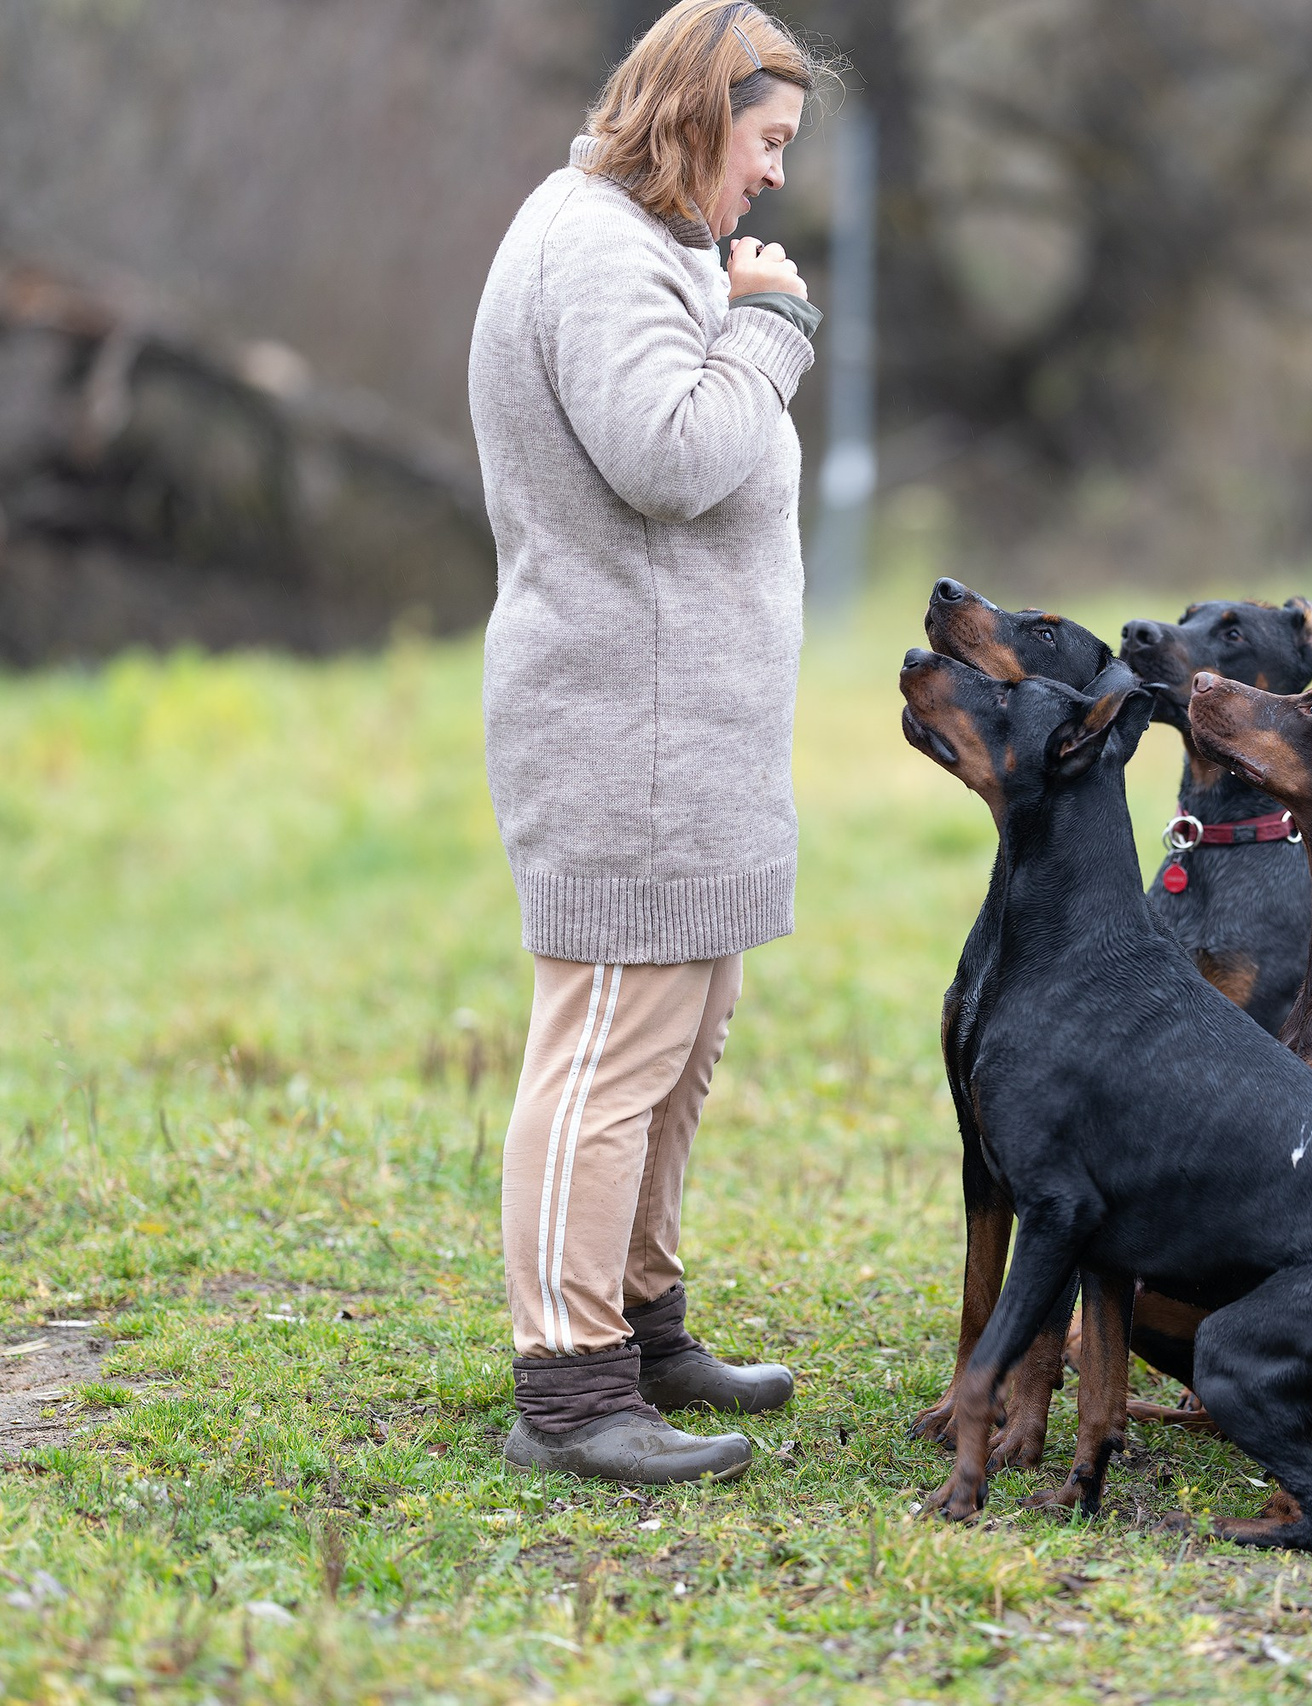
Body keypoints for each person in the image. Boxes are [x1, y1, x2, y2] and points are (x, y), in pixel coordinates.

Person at [468, 0, 833, 1486]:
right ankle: (569, 1389)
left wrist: (735, 300)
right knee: (608, 1050)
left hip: (696, 732)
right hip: (628, 730)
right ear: (698, 114)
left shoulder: (656, 240)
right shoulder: (597, 247)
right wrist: (770, 326)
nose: (778, 178)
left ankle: (639, 1322)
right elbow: (673, 458)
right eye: (768, 141)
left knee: (675, 1050)